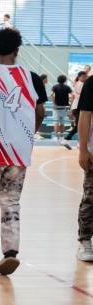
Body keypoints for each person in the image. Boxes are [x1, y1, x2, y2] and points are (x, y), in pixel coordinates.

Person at [0, 28, 39, 276]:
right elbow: (40, 111)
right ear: (17, 50)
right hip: (19, 153)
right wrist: (26, 134)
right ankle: (10, 252)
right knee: (12, 202)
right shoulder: (31, 77)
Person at [77, 76, 93, 262]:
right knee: (90, 197)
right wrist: (82, 149)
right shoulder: (91, 83)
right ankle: (85, 240)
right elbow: (85, 114)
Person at [66, 72, 88, 142]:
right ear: (80, 77)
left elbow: (73, 97)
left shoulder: (77, 84)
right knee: (79, 125)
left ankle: (69, 137)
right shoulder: (80, 84)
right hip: (78, 107)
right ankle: (68, 137)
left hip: (77, 106)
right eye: (84, 77)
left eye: (86, 77)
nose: (85, 78)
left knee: (80, 125)